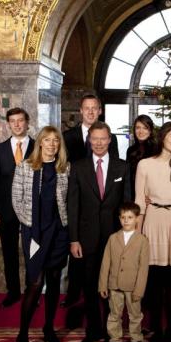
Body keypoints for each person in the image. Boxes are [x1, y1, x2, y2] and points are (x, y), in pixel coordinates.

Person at [67, 121, 128, 342]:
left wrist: (126, 238)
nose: (100, 143)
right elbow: (73, 206)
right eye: (95, 138)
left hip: (115, 238)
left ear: (110, 140)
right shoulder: (78, 167)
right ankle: (93, 330)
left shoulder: (122, 167)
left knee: (114, 286)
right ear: (89, 141)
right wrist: (74, 239)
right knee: (90, 285)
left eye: (104, 138)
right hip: (87, 238)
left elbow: (127, 205)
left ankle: (113, 331)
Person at [11, 126, 69, 342]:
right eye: (48, 140)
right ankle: (22, 335)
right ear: (41, 143)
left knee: (54, 281)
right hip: (35, 233)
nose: (52, 144)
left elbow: (66, 201)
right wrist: (32, 227)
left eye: (56, 140)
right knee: (35, 283)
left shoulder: (64, 168)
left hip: (58, 233)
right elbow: (16, 200)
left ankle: (48, 328)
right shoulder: (25, 167)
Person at [135, 122, 171, 342]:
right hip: (154, 219)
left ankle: (169, 330)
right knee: (156, 281)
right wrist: (137, 233)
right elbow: (139, 200)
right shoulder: (144, 164)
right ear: (163, 136)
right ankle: (157, 327)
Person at [62, 94, 117, 307]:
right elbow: (64, 168)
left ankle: (100, 294)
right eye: (87, 108)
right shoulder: (69, 137)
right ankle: (74, 294)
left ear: (100, 110)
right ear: (81, 110)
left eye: (95, 108)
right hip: (79, 199)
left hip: (102, 205)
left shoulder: (107, 137)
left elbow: (112, 169)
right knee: (77, 258)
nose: (91, 112)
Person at [0, 108, 34, 308]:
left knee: (33, 252)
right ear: (8, 124)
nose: (16, 124)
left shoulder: (38, 147)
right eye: (12, 121)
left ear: (27, 122)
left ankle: (33, 292)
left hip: (33, 209)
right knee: (9, 252)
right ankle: (13, 292)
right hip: (6, 209)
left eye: (20, 120)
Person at [98, 202, 150, 342]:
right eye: (123, 217)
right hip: (114, 285)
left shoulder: (142, 240)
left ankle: (136, 341)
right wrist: (102, 284)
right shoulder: (113, 238)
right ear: (119, 219)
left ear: (136, 220)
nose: (126, 221)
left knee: (135, 315)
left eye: (130, 217)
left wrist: (139, 290)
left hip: (133, 286)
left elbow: (143, 268)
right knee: (114, 315)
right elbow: (105, 263)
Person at [126, 114, 158, 201]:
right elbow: (129, 175)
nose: (141, 131)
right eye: (138, 128)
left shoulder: (157, 149)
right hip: (133, 193)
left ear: (150, 130)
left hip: (151, 196)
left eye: (145, 128)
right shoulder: (130, 150)